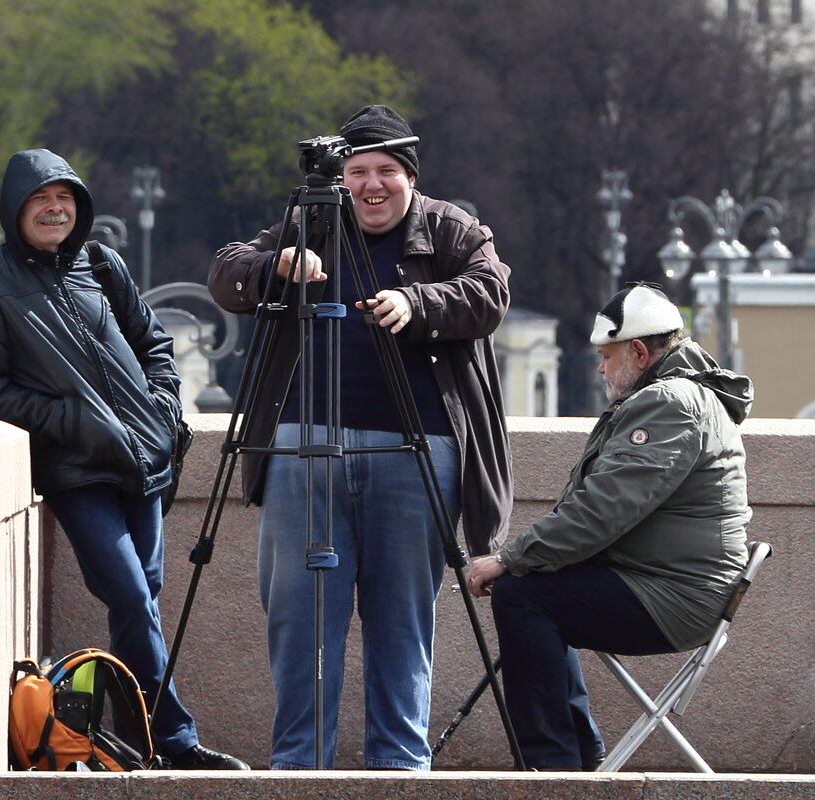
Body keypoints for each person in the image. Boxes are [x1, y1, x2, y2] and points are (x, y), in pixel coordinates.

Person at [208, 105, 513, 770]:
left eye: (386, 172)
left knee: (402, 624)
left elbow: (491, 293)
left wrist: (419, 303)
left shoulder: (450, 229)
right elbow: (226, 272)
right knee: (299, 623)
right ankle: (298, 772)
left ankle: (399, 773)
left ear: (410, 176)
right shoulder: (312, 219)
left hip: (418, 452)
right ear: (339, 177)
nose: (371, 185)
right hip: (301, 448)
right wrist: (275, 268)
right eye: (356, 172)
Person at [0, 148, 248, 770]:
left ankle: (133, 742)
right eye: (40, 200)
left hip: (145, 462)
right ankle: (175, 740)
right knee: (134, 600)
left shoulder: (101, 264)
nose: (54, 210)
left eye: (65, 199)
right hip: (76, 472)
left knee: (142, 601)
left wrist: (163, 408)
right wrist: (79, 424)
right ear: (15, 211)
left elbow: (154, 342)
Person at [467, 282, 752, 770]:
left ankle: (551, 767)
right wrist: (530, 562)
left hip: (676, 596)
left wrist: (508, 559)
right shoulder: (681, 396)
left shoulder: (669, 404)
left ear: (639, 351)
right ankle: (575, 755)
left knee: (523, 595)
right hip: (682, 584)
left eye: (606, 355)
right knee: (538, 589)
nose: (599, 368)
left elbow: (602, 511)